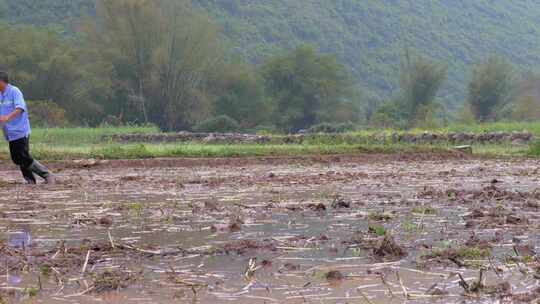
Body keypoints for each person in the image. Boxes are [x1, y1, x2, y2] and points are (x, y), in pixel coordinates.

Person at [0, 71, 54, 184]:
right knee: (18, 158)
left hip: (20, 130)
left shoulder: (15, 91)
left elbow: (20, 108)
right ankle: (30, 180)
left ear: (1, 81)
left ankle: (46, 175)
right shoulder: (0, 95)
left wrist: (7, 118)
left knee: (22, 157)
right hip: (10, 133)